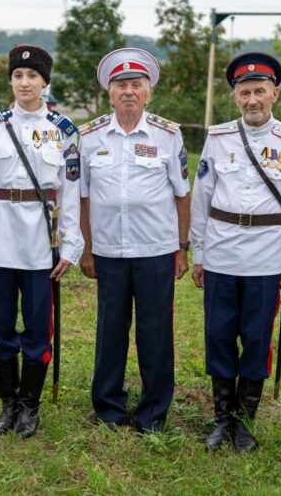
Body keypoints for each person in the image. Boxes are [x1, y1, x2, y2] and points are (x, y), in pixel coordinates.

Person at [190, 52, 281, 452]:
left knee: (257, 339)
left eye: (259, 91)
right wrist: (198, 254)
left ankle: (244, 422)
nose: (252, 100)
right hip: (221, 253)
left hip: (266, 257)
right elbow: (201, 198)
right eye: (244, 93)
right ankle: (221, 419)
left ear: (274, 93)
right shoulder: (218, 137)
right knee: (218, 335)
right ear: (235, 96)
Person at [0, 45, 83, 438]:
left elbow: (70, 193)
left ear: (44, 82)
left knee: (36, 328)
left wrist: (71, 246)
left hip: (40, 241)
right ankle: (8, 403)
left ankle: (30, 406)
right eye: (18, 75)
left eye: (32, 76)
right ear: (11, 80)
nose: (24, 82)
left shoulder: (64, 130)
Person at [79, 48, 190, 433]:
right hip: (108, 249)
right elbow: (83, 196)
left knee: (155, 333)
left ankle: (152, 412)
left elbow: (182, 194)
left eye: (136, 85)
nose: (129, 91)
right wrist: (87, 248)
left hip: (155, 249)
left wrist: (182, 248)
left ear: (148, 92)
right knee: (110, 331)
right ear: (110, 93)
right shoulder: (89, 136)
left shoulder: (168, 135)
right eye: (121, 85)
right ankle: (108, 407)